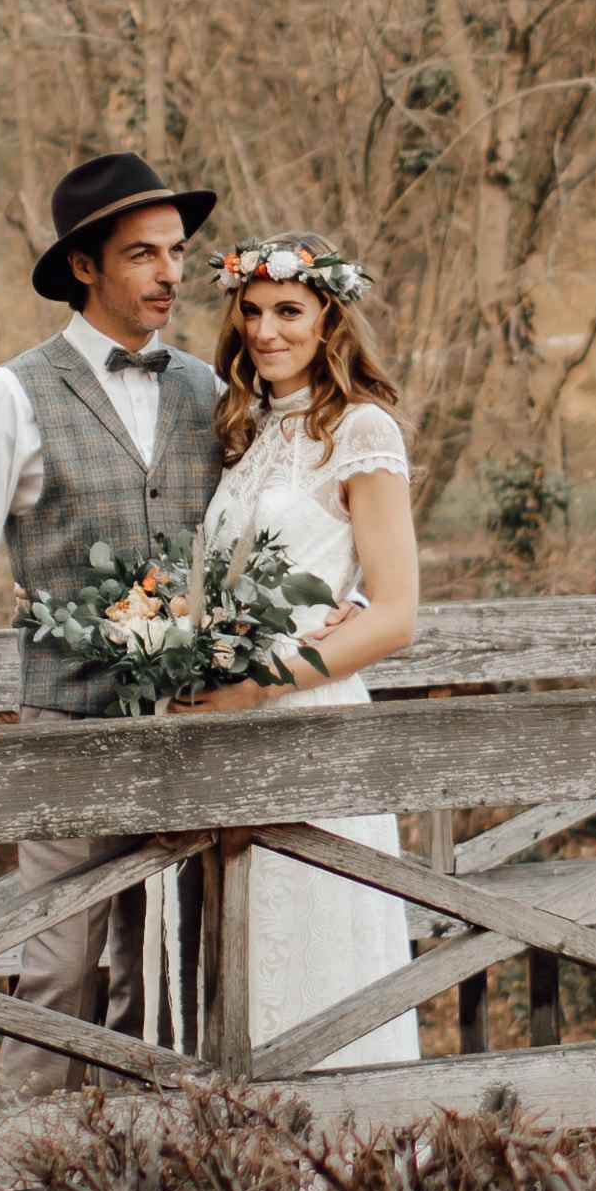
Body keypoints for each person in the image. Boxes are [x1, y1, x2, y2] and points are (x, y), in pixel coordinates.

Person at [0, 146, 221, 1050]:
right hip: (66, 734)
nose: (169, 274)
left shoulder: (211, 392)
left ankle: (159, 1172)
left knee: (180, 976)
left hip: (197, 735)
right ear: (84, 266)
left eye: (177, 252)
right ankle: (38, 1170)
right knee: (59, 974)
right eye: (143, 255)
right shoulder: (7, 397)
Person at [190, 232, 421, 1070]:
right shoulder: (244, 432)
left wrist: (259, 686)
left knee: (319, 951)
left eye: (289, 311)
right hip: (218, 732)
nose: (265, 330)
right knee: (242, 963)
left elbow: (394, 614)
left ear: (330, 319)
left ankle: (345, 1169)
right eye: (250, 312)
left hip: (307, 719)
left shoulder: (362, 432)